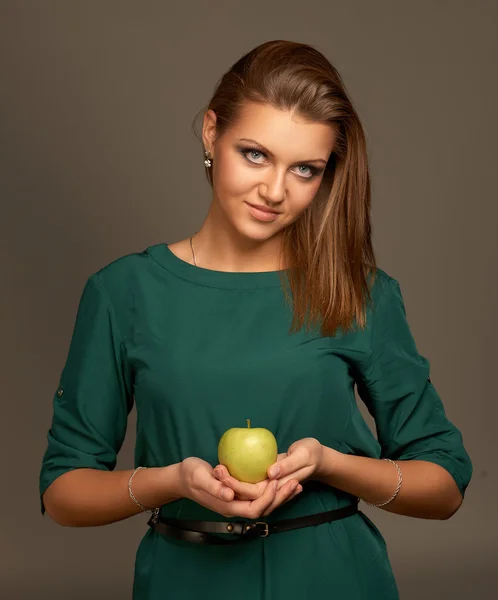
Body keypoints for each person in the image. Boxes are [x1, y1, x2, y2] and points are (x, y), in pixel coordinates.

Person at [39, 39, 473, 599]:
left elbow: (444, 485)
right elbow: (63, 494)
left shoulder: (360, 292)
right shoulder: (123, 292)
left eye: (305, 169)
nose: (274, 190)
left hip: (335, 578)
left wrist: (326, 464)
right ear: (211, 133)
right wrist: (174, 480)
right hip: (185, 581)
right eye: (255, 154)